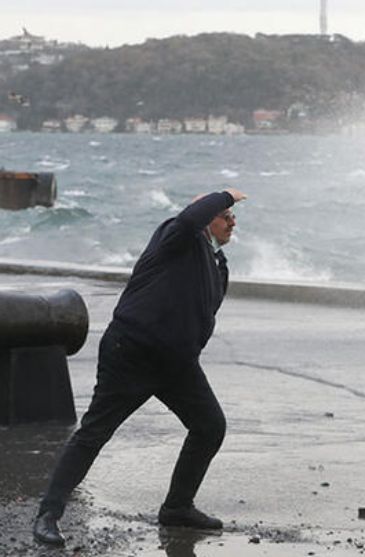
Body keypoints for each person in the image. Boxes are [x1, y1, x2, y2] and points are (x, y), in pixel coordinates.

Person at [33, 188, 247, 546]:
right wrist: (225, 194)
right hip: (131, 353)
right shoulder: (176, 235)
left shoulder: (217, 263)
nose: (233, 221)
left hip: (177, 364)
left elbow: (203, 313)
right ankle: (48, 515)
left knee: (210, 426)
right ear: (206, 215)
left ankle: (178, 507)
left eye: (232, 216)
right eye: (225, 215)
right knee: (94, 434)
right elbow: (189, 217)